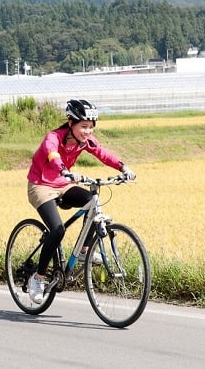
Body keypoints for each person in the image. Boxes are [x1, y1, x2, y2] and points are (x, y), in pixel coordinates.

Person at [25, 99, 136, 303]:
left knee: (92, 201)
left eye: (91, 127)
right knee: (58, 230)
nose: (87, 131)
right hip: (40, 185)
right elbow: (52, 155)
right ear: (71, 123)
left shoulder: (86, 141)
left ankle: (84, 252)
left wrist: (123, 168)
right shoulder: (53, 137)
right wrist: (64, 171)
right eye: (83, 126)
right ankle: (38, 278)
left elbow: (102, 154)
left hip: (63, 183)